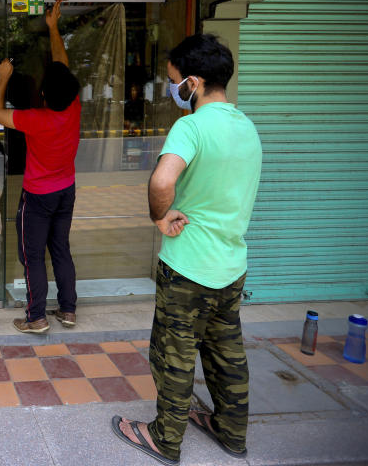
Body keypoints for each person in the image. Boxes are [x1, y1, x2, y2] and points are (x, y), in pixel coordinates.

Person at [112, 34, 262, 466]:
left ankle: (165, 438)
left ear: (193, 83)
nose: (172, 89)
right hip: (232, 266)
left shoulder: (192, 126)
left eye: (175, 81)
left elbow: (162, 181)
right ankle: (231, 432)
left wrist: (160, 217)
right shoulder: (246, 127)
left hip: (189, 266)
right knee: (226, 351)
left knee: (174, 354)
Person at [0, 0, 82, 333]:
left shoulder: (36, 119)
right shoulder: (72, 108)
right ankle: (68, 310)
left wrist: (2, 78)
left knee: (32, 257)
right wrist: (53, 26)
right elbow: (62, 64)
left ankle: (36, 317)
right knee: (60, 249)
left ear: (43, 93)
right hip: (66, 191)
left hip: (39, 197)